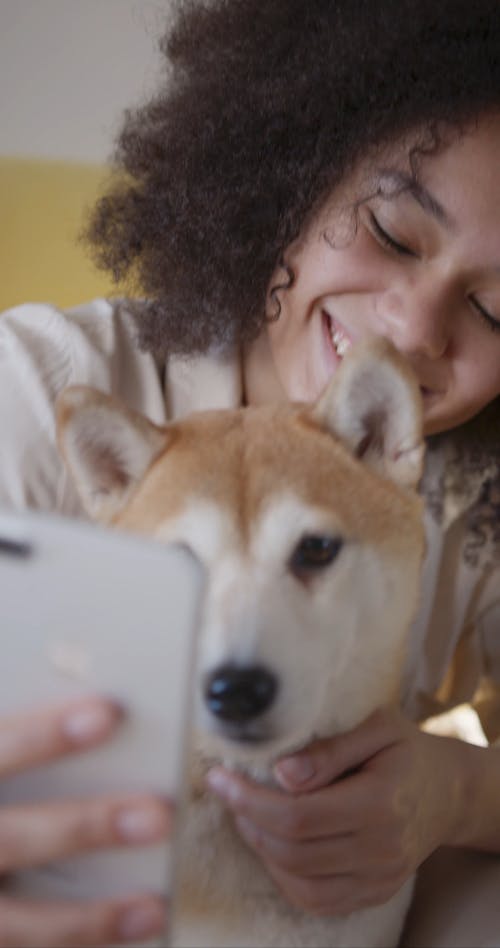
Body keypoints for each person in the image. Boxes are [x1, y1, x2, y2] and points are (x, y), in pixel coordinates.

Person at [1, 0, 499, 944]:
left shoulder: (475, 504)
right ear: (293, 171)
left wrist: (455, 791)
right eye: (394, 234)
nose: (413, 329)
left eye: (499, 313)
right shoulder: (35, 389)